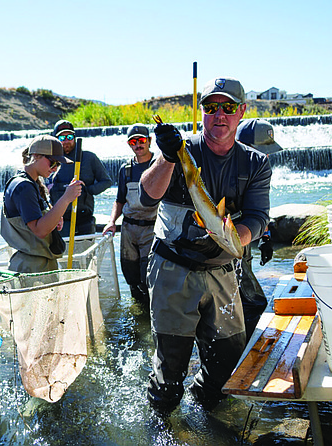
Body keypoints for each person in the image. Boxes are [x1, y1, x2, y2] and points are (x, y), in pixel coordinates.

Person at [139, 77, 272, 413]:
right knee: (170, 371)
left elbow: (257, 217)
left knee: (227, 361)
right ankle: (163, 423)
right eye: (211, 107)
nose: (220, 115)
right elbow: (147, 194)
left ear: (241, 111)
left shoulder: (256, 164)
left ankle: (204, 412)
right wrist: (168, 157)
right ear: (203, 113)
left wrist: (233, 238)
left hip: (222, 271)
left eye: (228, 107)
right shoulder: (182, 151)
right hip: (172, 268)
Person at [1, 135, 83, 273]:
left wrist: (54, 218)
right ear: (36, 156)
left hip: (38, 263)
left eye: (58, 164)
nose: (55, 168)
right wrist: (66, 198)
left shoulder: (31, 183)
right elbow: (39, 230)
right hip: (32, 268)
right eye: (52, 162)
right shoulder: (24, 187)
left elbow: (40, 221)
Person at [102, 123, 159, 306]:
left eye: (141, 140)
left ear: (149, 141)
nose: (138, 145)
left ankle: (151, 313)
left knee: (147, 275)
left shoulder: (159, 166)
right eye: (133, 142)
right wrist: (112, 222)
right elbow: (119, 201)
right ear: (129, 144)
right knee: (131, 275)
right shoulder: (125, 170)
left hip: (152, 228)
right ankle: (137, 308)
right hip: (128, 229)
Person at [236, 118, 280, 340]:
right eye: (263, 150)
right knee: (252, 303)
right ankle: (250, 352)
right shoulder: (229, 168)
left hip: (244, 241)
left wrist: (265, 235)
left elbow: (258, 208)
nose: (268, 156)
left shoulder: (259, 167)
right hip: (227, 246)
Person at [49, 120, 113, 236]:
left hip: (84, 219)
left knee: (86, 252)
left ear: (74, 137)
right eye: (62, 138)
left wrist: (88, 190)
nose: (66, 141)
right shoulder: (50, 161)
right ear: (56, 140)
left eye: (69, 137)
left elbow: (107, 181)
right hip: (59, 220)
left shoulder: (89, 158)